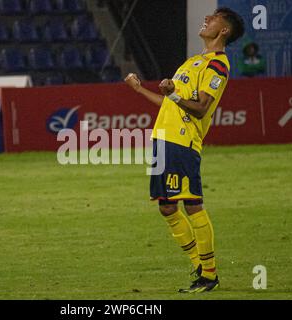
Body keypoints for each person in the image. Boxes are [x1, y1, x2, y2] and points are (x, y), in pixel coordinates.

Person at [124, 7, 244, 293]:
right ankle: (200, 266)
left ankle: (209, 273)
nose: (207, 19)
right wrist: (141, 90)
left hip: (182, 141)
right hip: (163, 139)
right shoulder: (193, 62)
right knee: (167, 206)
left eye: (214, 18)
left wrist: (174, 93)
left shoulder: (217, 65)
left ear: (224, 30)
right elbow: (171, 103)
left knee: (192, 204)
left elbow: (201, 108)